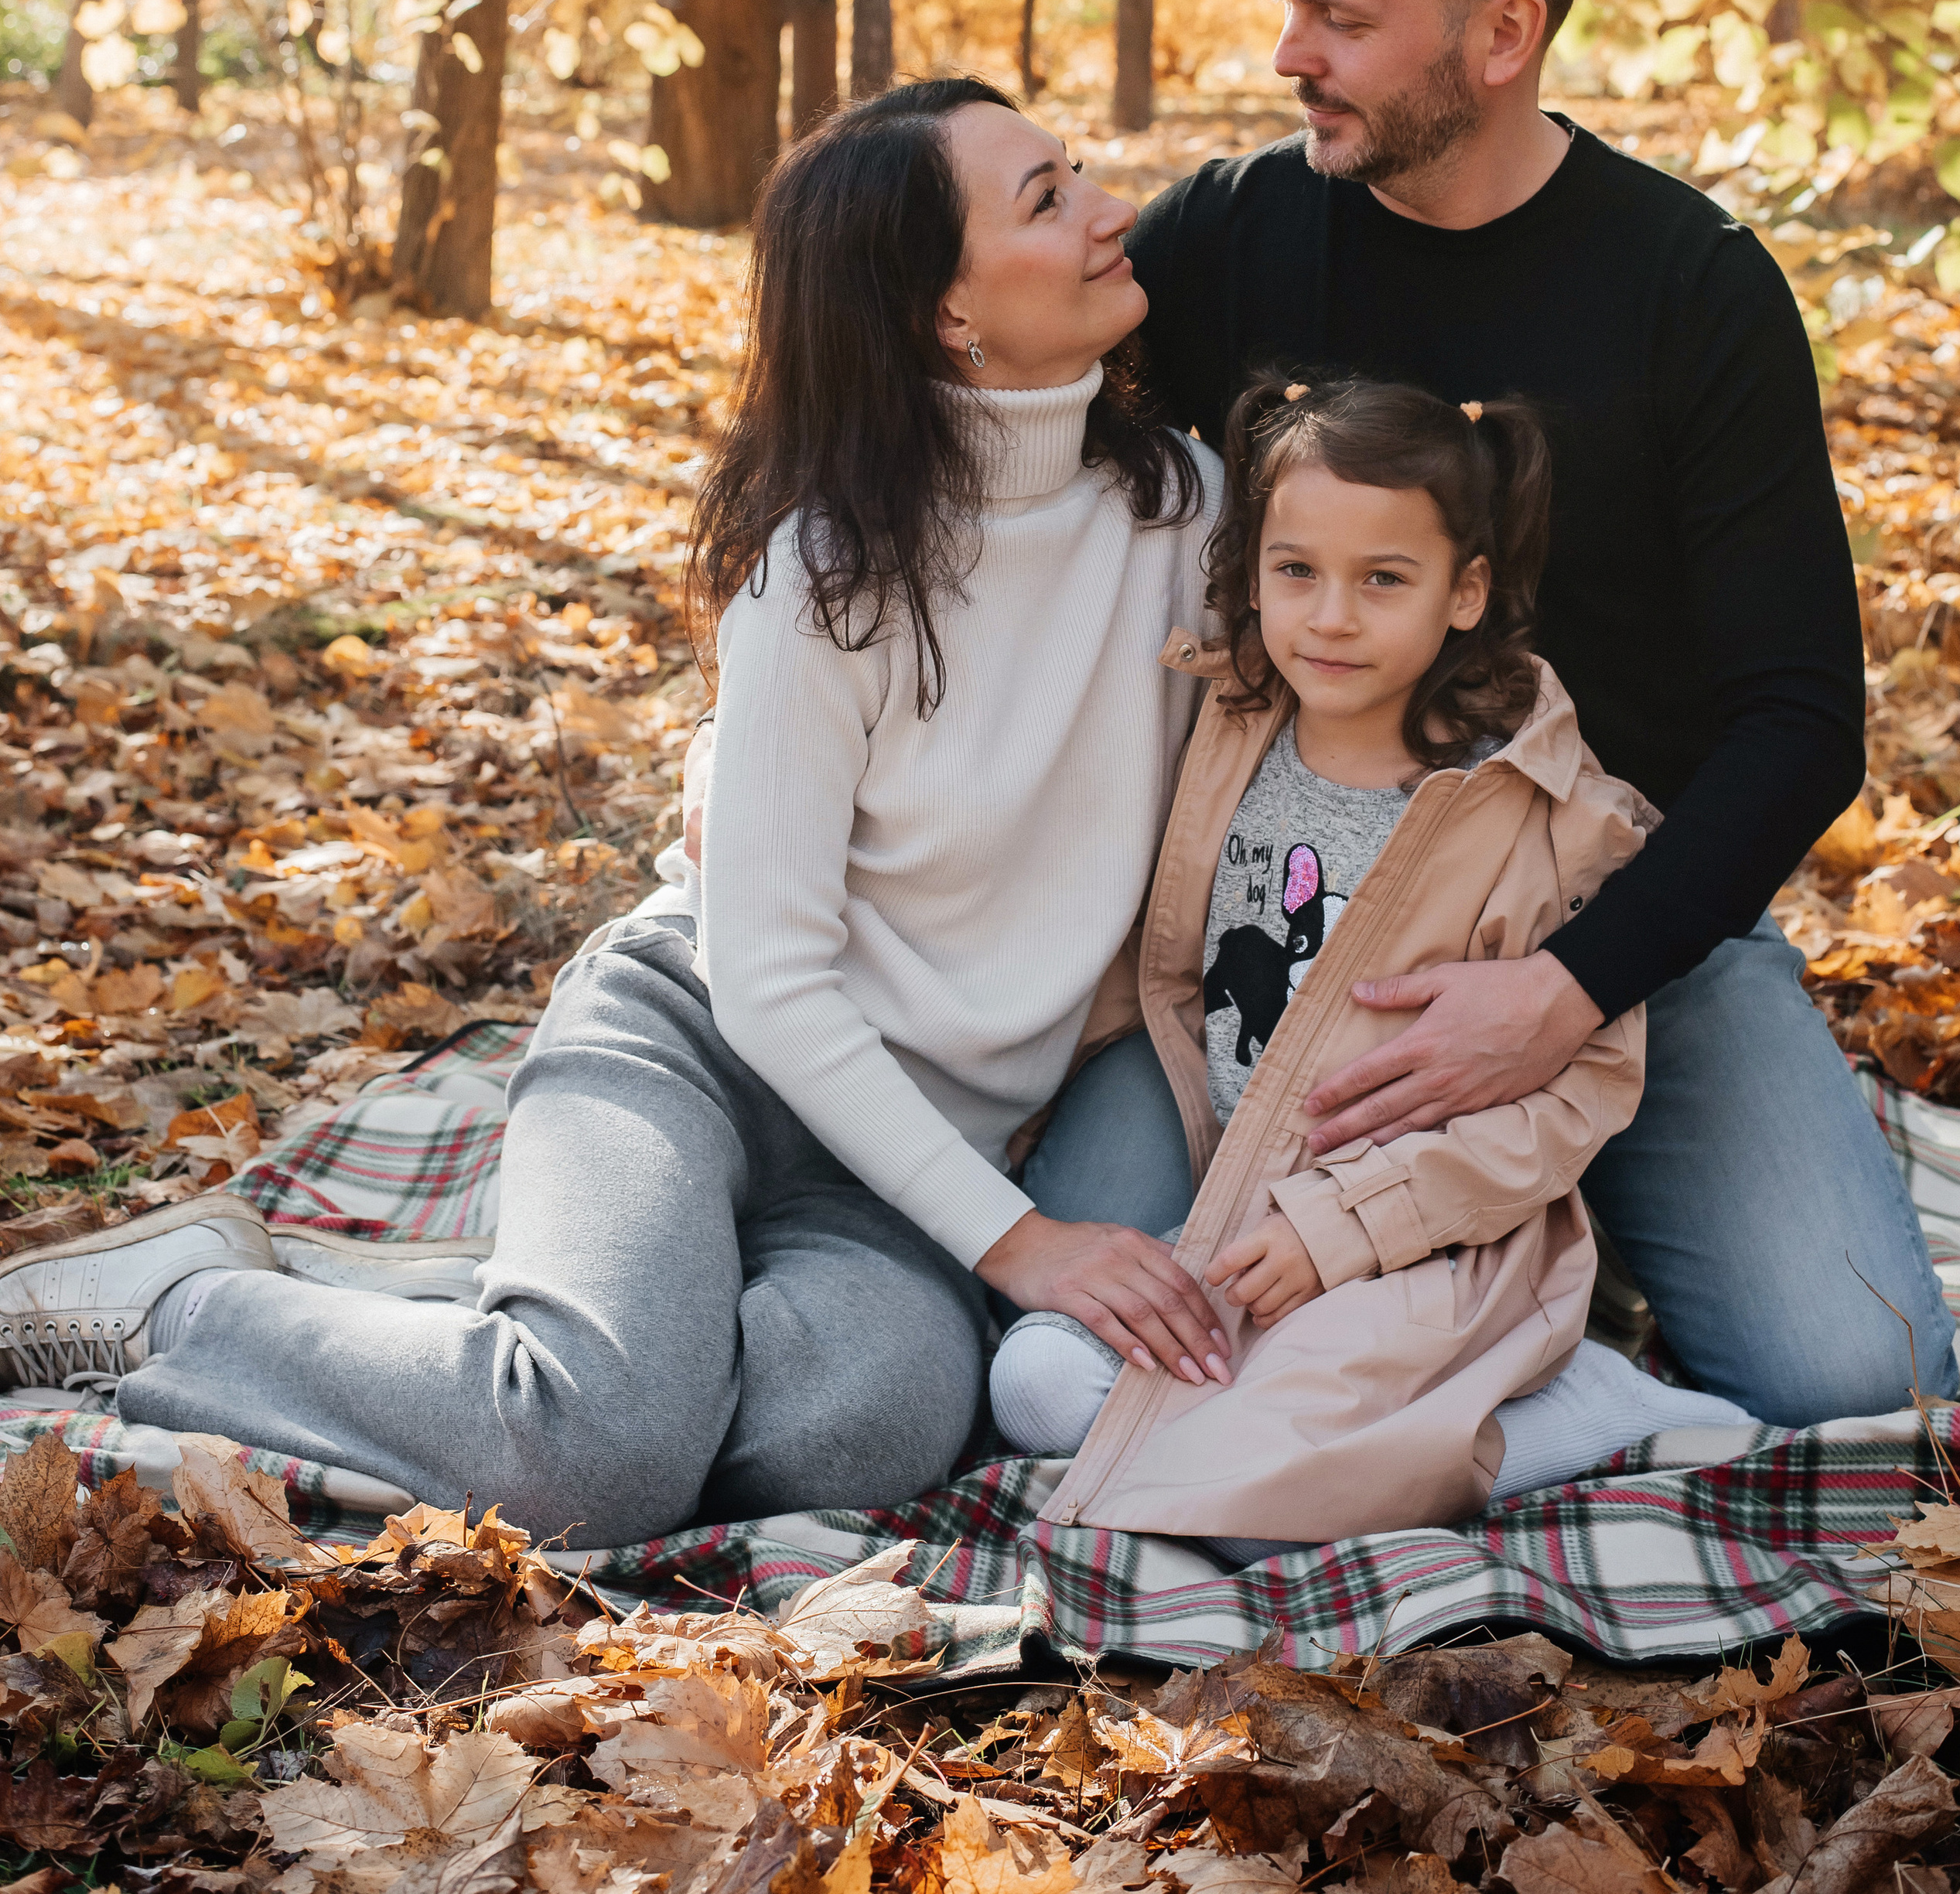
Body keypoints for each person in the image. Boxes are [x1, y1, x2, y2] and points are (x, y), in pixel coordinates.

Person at [0, 80, 1231, 1541]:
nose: (1108, 210)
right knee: (593, 1462)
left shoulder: (1190, 520)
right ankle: (185, 1309)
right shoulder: (827, 579)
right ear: (941, 313)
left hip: (899, 1156)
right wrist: (1021, 1246)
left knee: (865, 1422)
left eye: (1076, 172)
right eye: (1045, 198)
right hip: (695, 1045)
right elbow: (768, 982)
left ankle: (545, 1346)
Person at [1123, 0, 1955, 1425]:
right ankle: (1516, 1267)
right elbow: (993, 434)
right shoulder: (1235, 231)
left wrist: (1567, 990)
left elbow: (1800, 726)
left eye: (1339, 20)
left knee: (1857, 1379)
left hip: (1610, 924)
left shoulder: (1690, 289)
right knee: (1140, 1330)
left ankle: (1583, 1225)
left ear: (1500, 35)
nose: (1288, 53)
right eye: (1287, 3)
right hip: (1285, 917)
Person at [992, 376, 1752, 1547]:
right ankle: (1393, 1428)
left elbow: (1572, 1096)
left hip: (1415, 1232)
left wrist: (1336, 1230)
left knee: (1250, 1500)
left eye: (1383, 580)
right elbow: (1160, 950)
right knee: (1033, 1381)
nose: (1330, 617)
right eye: (1296, 570)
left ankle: (1573, 1411)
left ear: (1467, 593)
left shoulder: (1541, 815)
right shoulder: (1230, 720)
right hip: (1238, 1194)